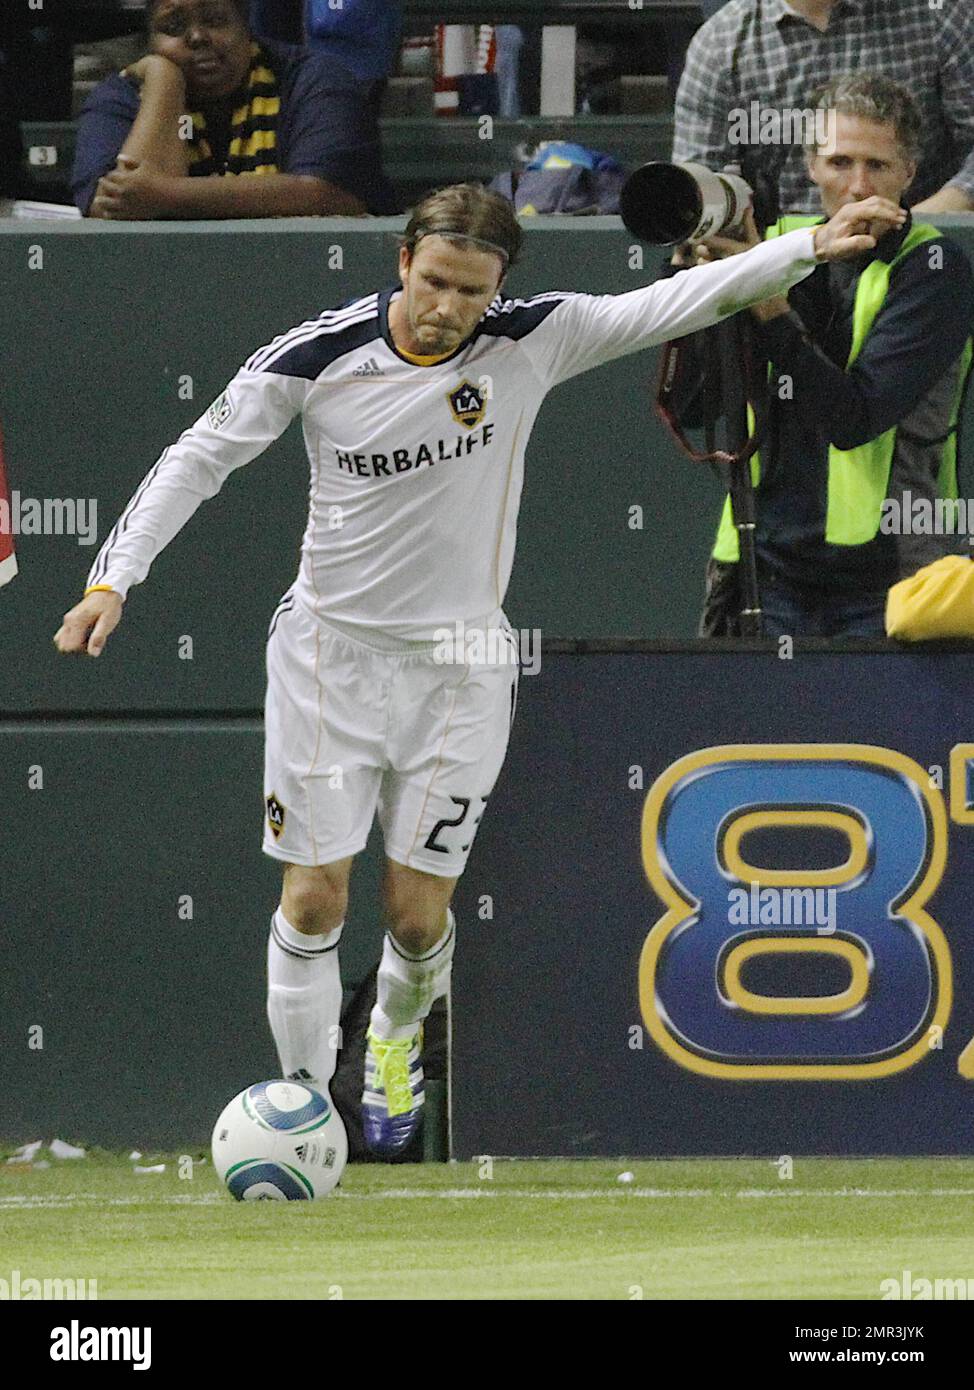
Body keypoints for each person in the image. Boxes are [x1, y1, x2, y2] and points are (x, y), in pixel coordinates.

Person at [53, 182, 902, 1154]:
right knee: (312, 896)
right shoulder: (316, 356)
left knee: (415, 920)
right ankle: (302, 1110)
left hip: (460, 668)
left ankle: (392, 1039)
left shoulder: (530, 338)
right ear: (402, 262)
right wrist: (112, 579)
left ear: (499, 286)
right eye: (434, 281)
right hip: (329, 657)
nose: (446, 307)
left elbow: (667, 305)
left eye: (471, 290)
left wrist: (808, 248)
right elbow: (198, 454)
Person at [688, 74, 974, 638]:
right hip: (761, 564)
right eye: (840, 162)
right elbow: (696, 408)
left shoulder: (934, 269)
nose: (859, 186)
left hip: (892, 577)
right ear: (812, 167)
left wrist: (767, 308)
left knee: (884, 732)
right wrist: (693, 287)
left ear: (910, 174)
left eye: (878, 166)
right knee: (754, 730)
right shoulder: (773, 250)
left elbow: (854, 418)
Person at [71, 0, 395, 219]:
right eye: (173, 26)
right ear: (149, 41)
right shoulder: (122, 94)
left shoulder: (312, 77)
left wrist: (167, 194)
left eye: (214, 20)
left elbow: (329, 195)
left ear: (245, 27)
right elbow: (113, 206)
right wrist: (164, 83)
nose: (197, 37)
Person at [673, 0, 974, 216]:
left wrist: (918, 225)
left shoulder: (939, 16)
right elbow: (698, 184)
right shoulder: (720, 45)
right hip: (781, 265)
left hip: (921, 255)